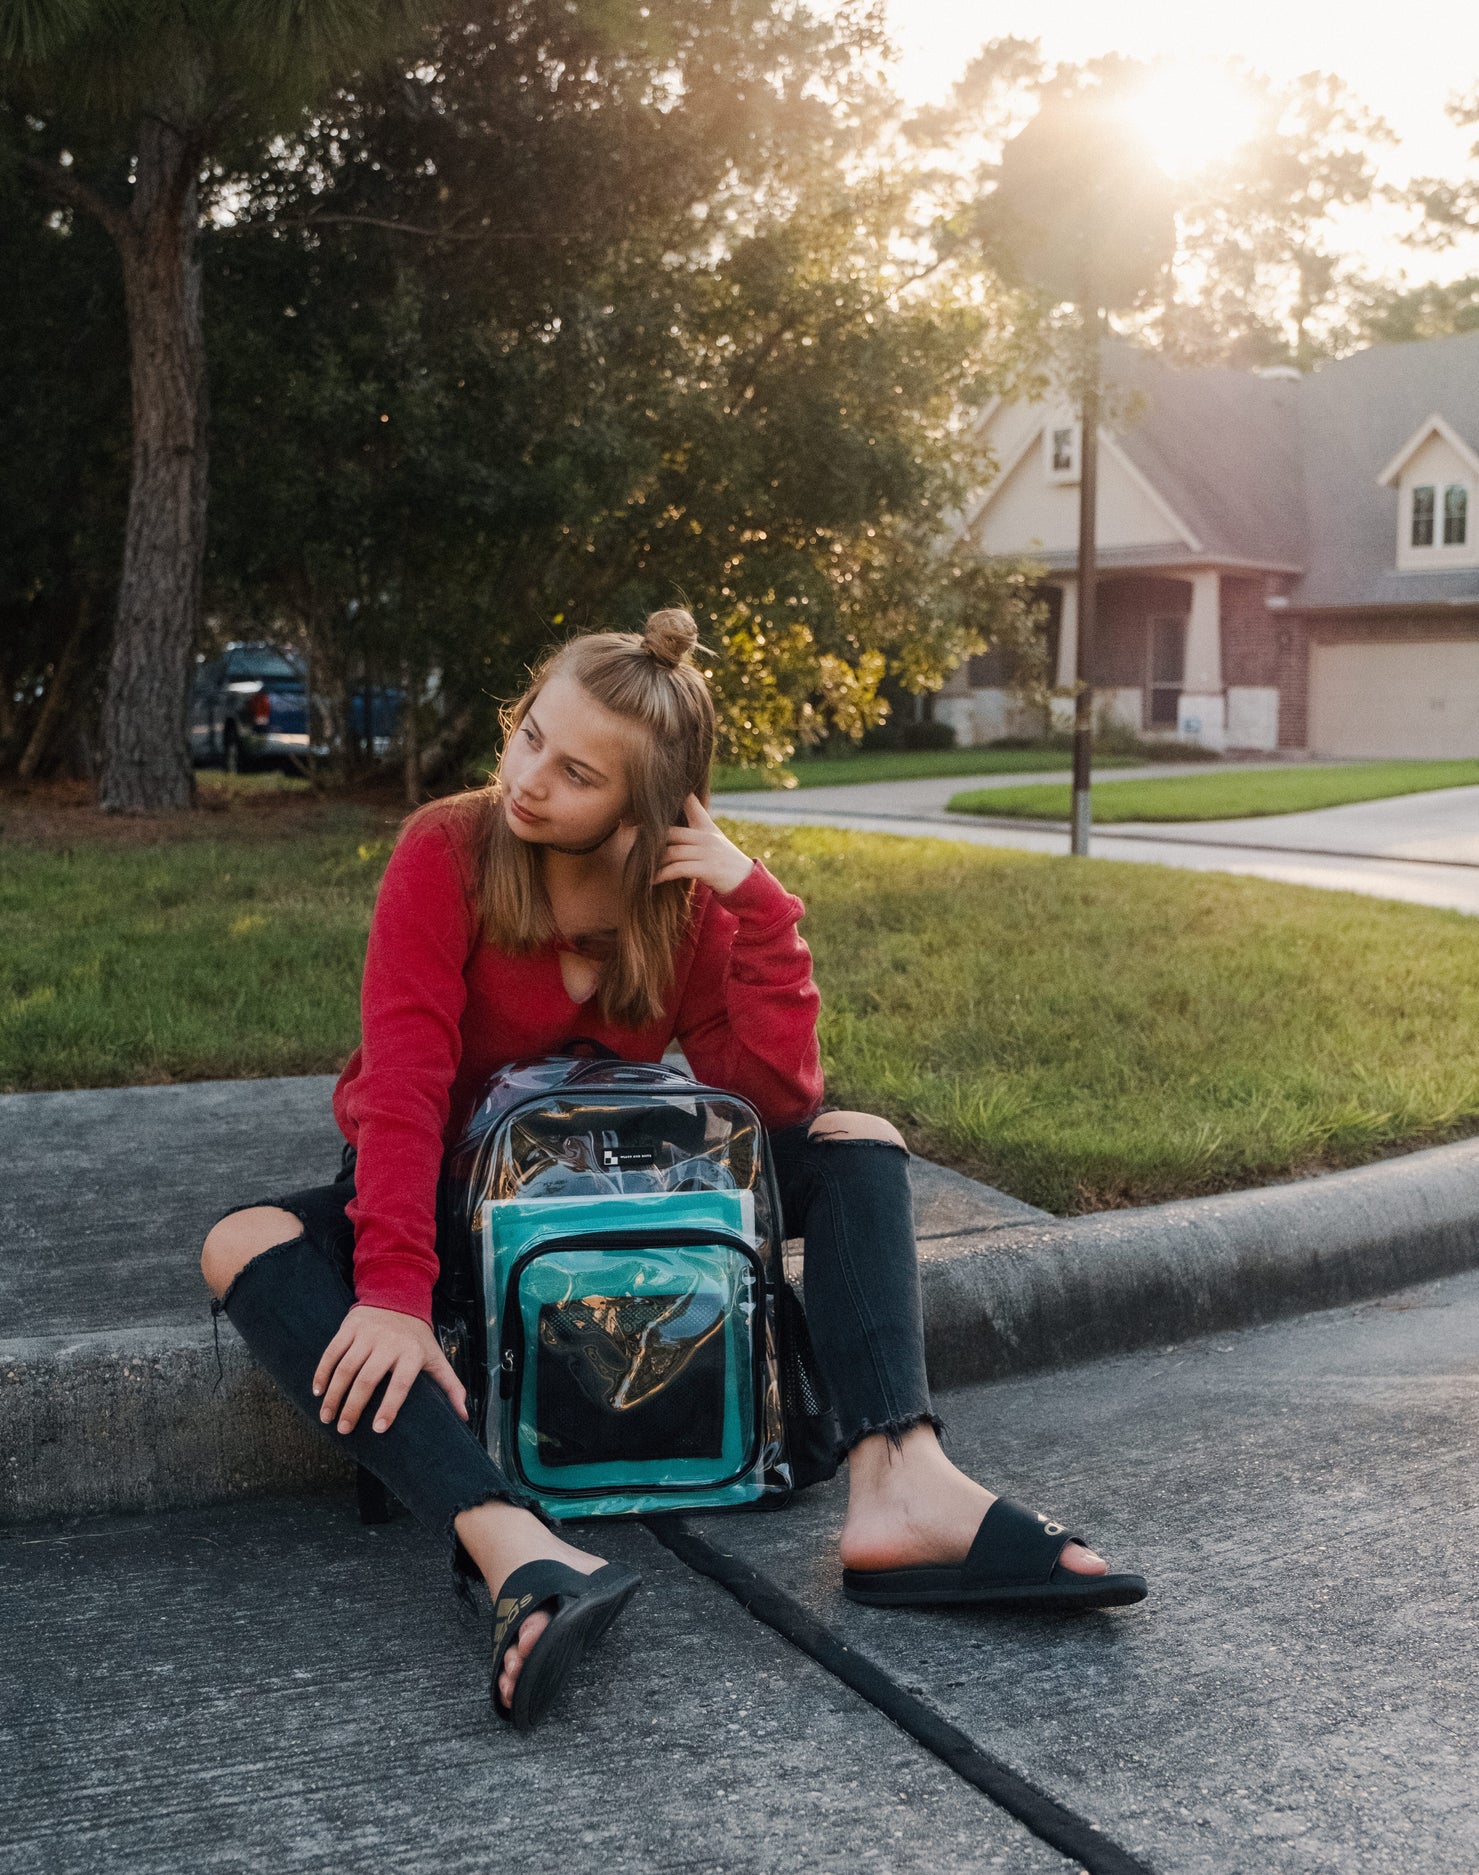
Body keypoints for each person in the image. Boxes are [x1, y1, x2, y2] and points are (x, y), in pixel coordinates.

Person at [200, 608, 1146, 1734]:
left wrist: (762, 910)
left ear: (644, 810)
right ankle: (515, 1548)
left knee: (858, 1140)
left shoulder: (685, 903)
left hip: (612, 1197)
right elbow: (402, 1087)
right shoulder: (447, 851)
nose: (530, 778)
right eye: (530, 737)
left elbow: (774, 1101)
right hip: (458, 1204)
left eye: (576, 770)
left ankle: (903, 1482)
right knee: (240, 1241)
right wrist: (397, 1295)